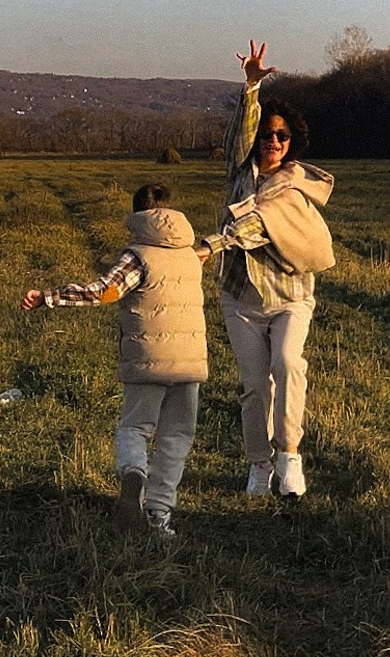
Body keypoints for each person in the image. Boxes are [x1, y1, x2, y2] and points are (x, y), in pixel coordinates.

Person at [22, 182, 206, 537]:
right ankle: (159, 516)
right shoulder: (190, 254)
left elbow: (104, 291)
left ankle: (134, 471)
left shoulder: (137, 255)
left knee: (135, 428)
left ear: (137, 216)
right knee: (176, 437)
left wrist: (48, 296)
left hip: (146, 358)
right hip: (190, 361)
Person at [198, 41, 335, 500]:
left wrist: (212, 244)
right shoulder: (239, 172)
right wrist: (252, 87)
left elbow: (255, 225)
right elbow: (239, 137)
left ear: (292, 141)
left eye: (281, 136)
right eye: (266, 135)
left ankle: (290, 456)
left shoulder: (294, 182)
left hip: (291, 294)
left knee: (288, 364)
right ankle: (259, 466)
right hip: (241, 298)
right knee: (254, 388)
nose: (272, 142)